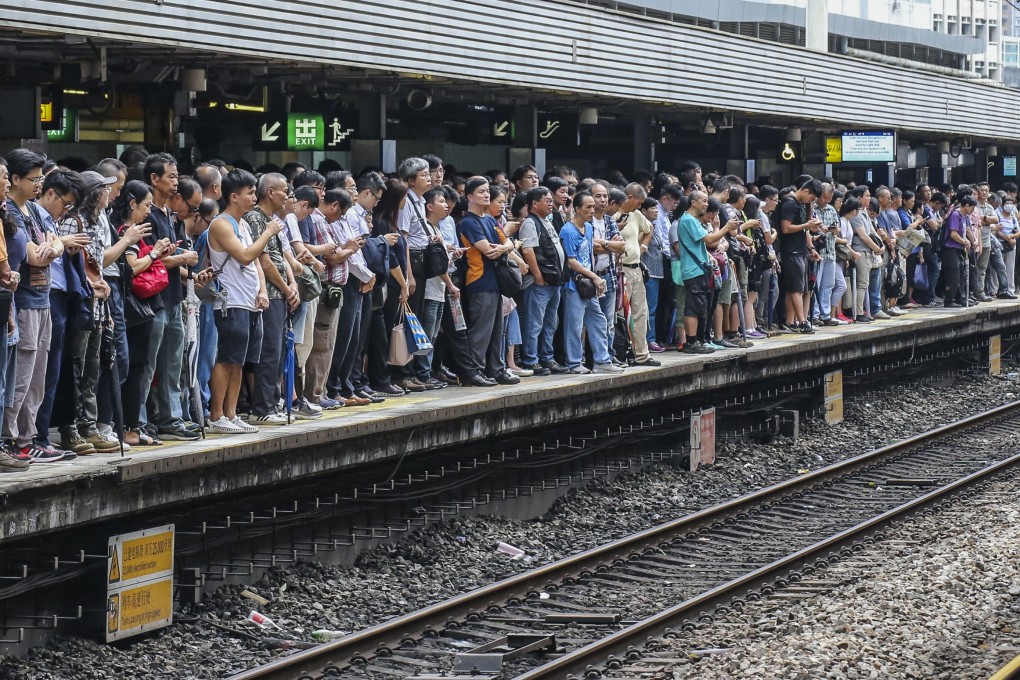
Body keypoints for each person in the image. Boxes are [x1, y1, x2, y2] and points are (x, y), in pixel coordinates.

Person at [4, 163, 71, 461]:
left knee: (37, 379)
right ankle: (12, 440)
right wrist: (50, 250)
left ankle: (28, 438)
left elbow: (53, 243)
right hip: (25, 302)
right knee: (20, 376)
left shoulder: (32, 209)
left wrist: (53, 248)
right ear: (16, 179)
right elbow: (32, 254)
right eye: (32, 179)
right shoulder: (11, 211)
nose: (38, 185)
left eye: (40, 178)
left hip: (43, 300)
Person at [207, 169, 281, 434]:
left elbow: (258, 265)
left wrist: (262, 290)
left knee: (239, 361)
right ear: (234, 197)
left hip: (249, 301)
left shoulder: (245, 224)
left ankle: (231, 412)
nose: (254, 197)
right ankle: (216, 416)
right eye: (250, 193)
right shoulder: (221, 224)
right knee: (226, 358)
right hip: (230, 301)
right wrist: (269, 232)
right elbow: (246, 256)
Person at [243, 173, 299, 424]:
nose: (287, 195)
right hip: (269, 294)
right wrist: (286, 289)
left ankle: (272, 402)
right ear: (270, 192)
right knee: (270, 351)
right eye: (284, 190)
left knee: (278, 351)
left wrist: (292, 284)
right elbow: (263, 260)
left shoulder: (273, 220)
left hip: (281, 292)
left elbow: (281, 257)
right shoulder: (255, 218)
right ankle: (262, 408)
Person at [457, 177, 520, 384]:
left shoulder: (491, 220)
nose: (486, 195)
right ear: (469, 197)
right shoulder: (468, 221)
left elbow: (507, 243)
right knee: (481, 329)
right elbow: (488, 250)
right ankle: (473, 371)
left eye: (487, 191)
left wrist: (504, 248)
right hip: (479, 280)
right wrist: (505, 248)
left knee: (496, 330)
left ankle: (496, 368)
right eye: (481, 192)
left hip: (495, 281)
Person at [559, 191, 623, 375]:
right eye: (588, 207)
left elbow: (590, 256)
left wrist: (595, 278)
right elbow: (571, 261)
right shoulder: (568, 230)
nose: (592, 210)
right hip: (574, 285)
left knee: (599, 320)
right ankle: (573, 362)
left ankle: (602, 360)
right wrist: (594, 277)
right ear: (577, 208)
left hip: (589, 283)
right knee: (575, 325)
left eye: (593, 207)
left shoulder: (588, 228)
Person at [676, 191, 738, 354]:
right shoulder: (689, 220)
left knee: (699, 306)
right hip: (694, 269)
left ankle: (698, 340)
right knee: (693, 307)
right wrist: (726, 227)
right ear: (693, 203)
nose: (706, 204)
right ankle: (691, 341)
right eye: (703, 201)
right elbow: (710, 240)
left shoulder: (691, 220)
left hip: (699, 268)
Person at [519, 187, 566, 376]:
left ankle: (547, 357)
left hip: (554, 282)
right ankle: (531, 360)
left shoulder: (548, 221)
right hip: (540, 283)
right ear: (534, 204)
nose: (550, 203)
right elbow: (528, 251)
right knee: (534, 323)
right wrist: (538, 276)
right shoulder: (530, 223)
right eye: (546, 200)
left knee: (550, 323)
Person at [776, 179, 822, 333]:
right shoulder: (789, 204)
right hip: (791, 251)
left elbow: (805, 230)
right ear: (806, 191)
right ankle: (802, 321)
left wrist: (810, 248)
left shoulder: (801, 205)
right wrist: (806, 225)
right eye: (812, 198)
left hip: (800, 250)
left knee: (794, 288)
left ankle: (791, 321)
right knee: (796, 289)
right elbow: (786, 228)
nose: (812, 201)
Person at [942, 195, 977, 307]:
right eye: (972, 207)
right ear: (966, 206)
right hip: (951, 248)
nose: (972, 210)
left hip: (959, 249)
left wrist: (968, 241)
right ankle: (949, 299)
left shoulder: (963, 217)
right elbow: (953, 234)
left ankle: (960, 297)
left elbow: (964, 231)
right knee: (954, 274)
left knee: (962, 273)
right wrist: (964, 241)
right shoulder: (956, 215)